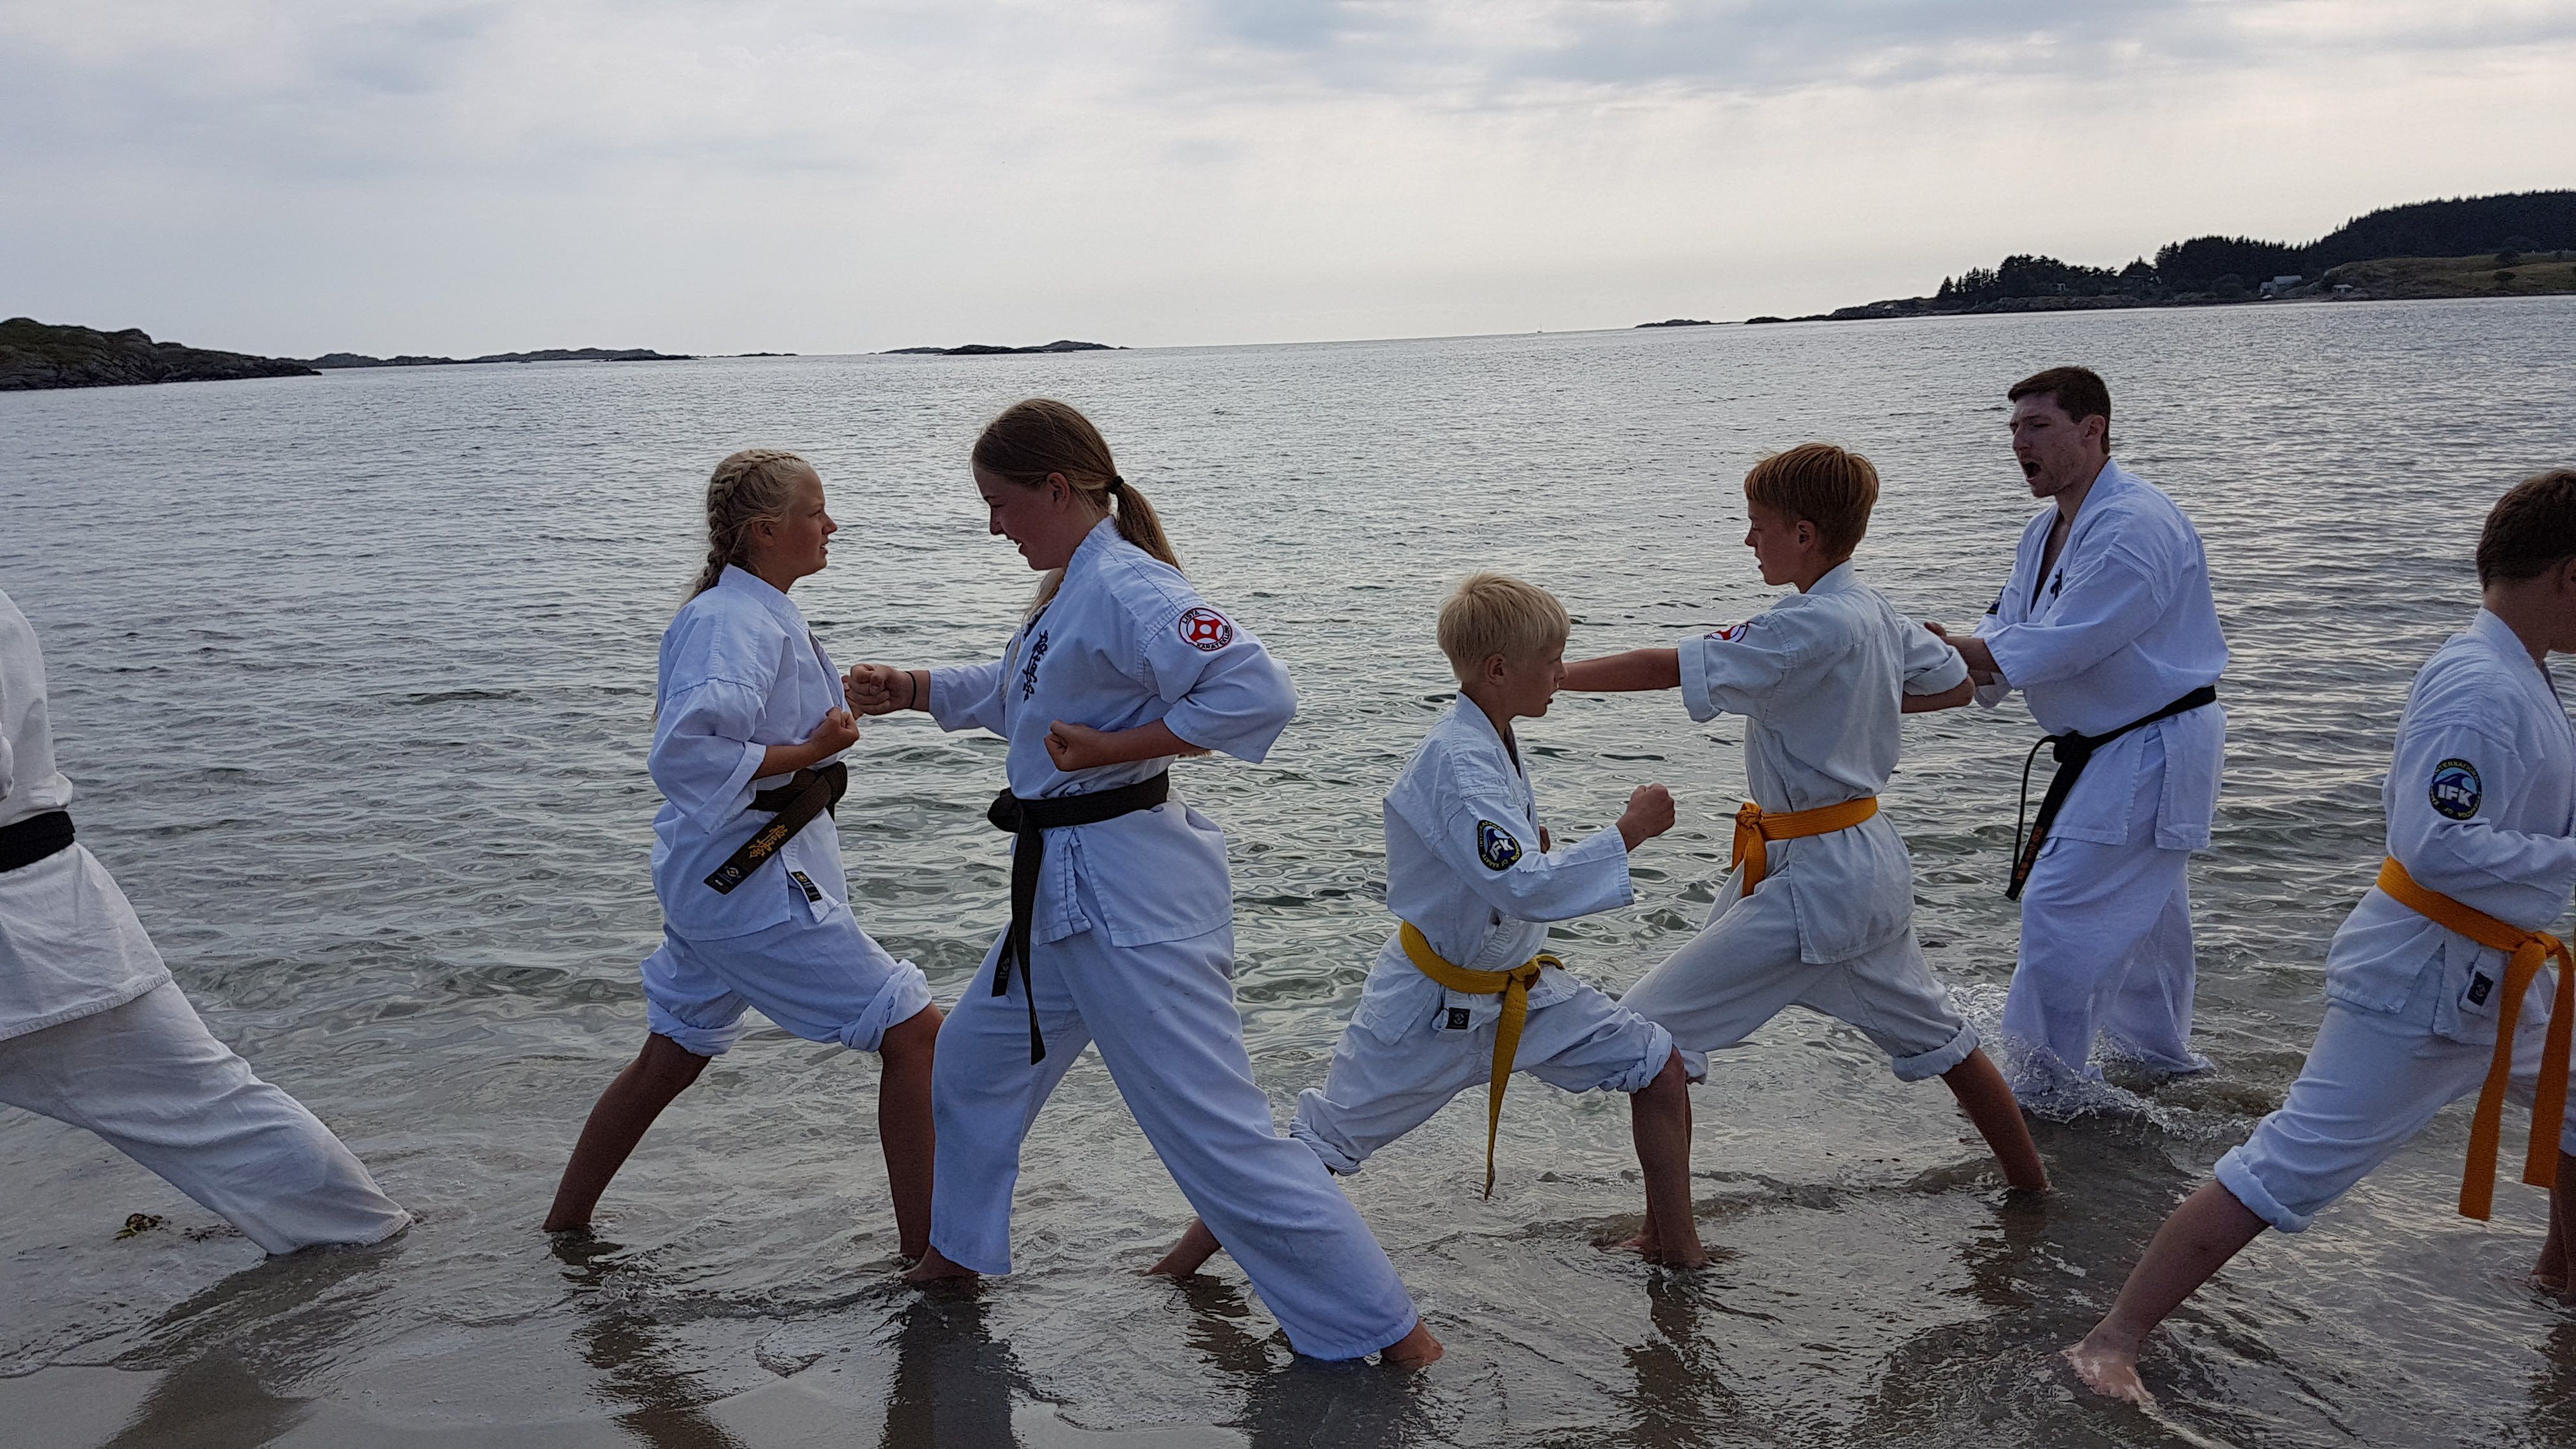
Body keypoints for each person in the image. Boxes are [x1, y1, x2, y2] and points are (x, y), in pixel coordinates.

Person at [842, 399, 1440, 1367]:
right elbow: (1026, 697)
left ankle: (1396, 1336)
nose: (994, 526)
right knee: (973, 1067)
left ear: (1057, 489)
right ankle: (954, 1258)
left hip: (1125, 892)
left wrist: (1115, 748)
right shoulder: (1076, 586)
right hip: (1065, 890)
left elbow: (1259, 692)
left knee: (1215, 1137)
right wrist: (914, 689)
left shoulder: (1128, 583)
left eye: (1001, 504)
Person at [2067, 469, 2576, 1405]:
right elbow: (2433, 843)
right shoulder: (2479, 686)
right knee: (2291, 1164)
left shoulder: (2518, 670)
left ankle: (2560, 1279)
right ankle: (2112, 1339)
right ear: (2570, 575)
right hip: (2425, 977)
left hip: (2504, 965)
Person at [1563, 443, 2048, 1259]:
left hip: (1816, 877)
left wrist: (1552, 680)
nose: (1748, 541)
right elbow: (1957, 685)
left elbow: (1669, 666)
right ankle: (2033, 1188)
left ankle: (1671, 1242)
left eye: (1758, 527)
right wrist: (1852, 706)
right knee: (1941, 1036)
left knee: (1644, 1034)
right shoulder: (1875, 613)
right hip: (1859, 859)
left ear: (1804, 534)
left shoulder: (1802, 626)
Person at [1151, 572, 1705, 1280]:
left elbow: (1505, 871)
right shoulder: (1458, 762)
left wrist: (1535, 855)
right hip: (1428, 1006)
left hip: (1517, 989)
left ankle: (1677, 1252)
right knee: (1318, 1148)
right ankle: (1174, 1271)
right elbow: (1524, 885)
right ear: (1498, 670)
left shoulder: (1494, 739)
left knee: (1659, 1067)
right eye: (1551, 661)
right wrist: (1629, 831)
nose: (1562, 674)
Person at [544, 449, 942, 1255]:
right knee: (915, 1033)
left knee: (672, 1053)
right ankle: (933, 1259)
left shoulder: (750, 613)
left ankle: (564, 1229)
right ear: (765, 531)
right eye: (815, 513)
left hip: (723, 878)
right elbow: (686, 754)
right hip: (751, 883)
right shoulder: (730, 622)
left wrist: (837, 711)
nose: (831, 526)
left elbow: (742, 728)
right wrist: (815, 749)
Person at [0, 585, 410, 1255]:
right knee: (217, 1112)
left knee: (220, 1114)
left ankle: (372, 1256)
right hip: (44, 913)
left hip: (30, 922)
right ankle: (369, 1250)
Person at [1929, 366, 2228, 1107]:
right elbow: (2008, 628)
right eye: (2013, 430)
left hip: (2146, 747)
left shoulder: (2133, 526)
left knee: (2061, 915)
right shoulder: (2047, 530)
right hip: (2115, 747)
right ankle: (2165, 1072)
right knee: (2145, 931)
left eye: (2038, 427)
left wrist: (1939, 649)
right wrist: (1940, 667)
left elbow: (2069, 642)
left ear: (2093, 430)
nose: (2019, 444)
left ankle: (2043, 1094)